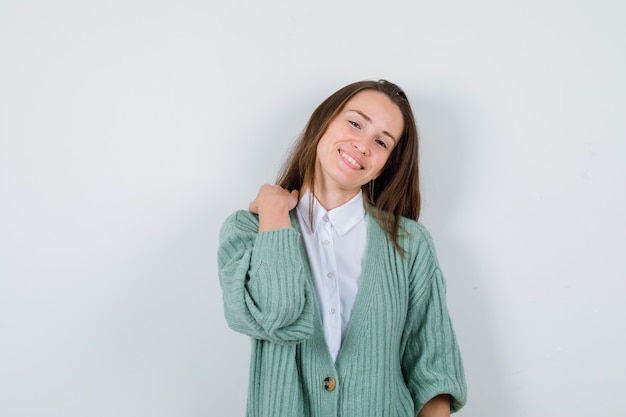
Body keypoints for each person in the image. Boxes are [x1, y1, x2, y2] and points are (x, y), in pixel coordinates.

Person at [217, 79, 467, 417]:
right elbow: (277, 312)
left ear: (387, 162)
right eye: (355, 123)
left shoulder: (410, 244)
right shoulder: (247, 231)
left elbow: (433, 369)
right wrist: (274, 213)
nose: (363, 145)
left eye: (381, 141)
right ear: (324, 122)